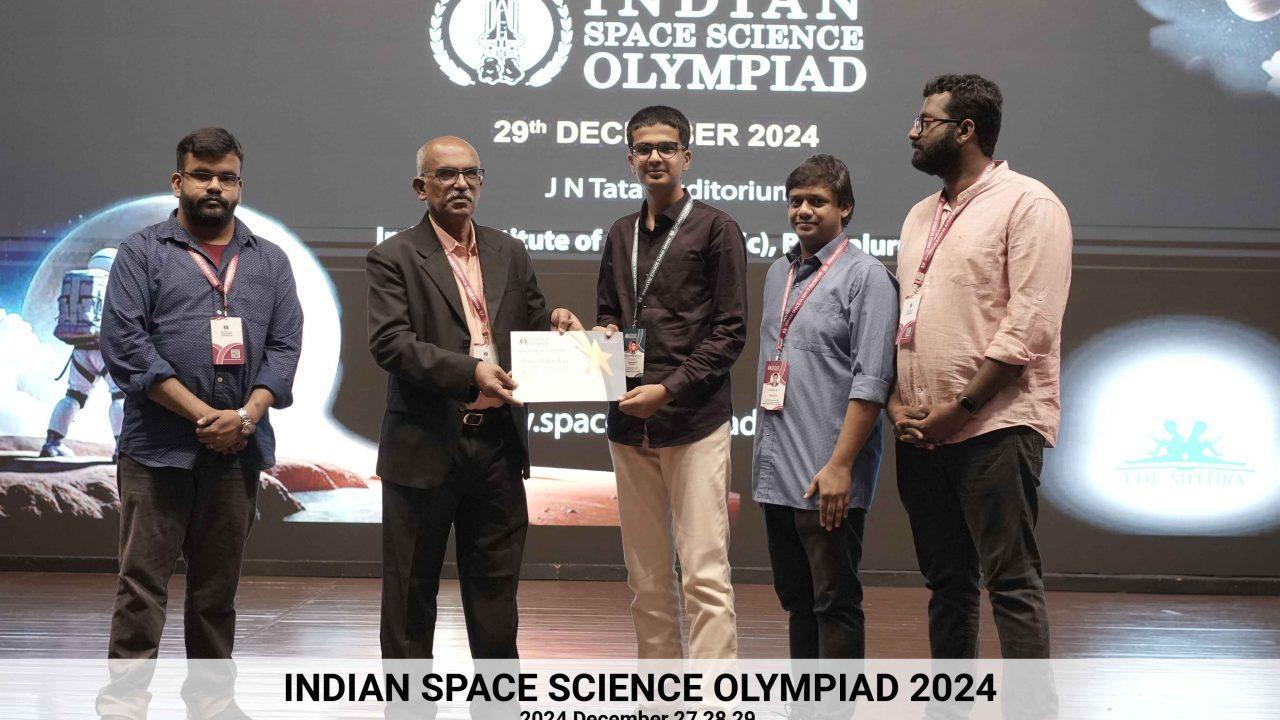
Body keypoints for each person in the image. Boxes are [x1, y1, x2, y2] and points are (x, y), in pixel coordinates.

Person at [97, 126, 302, 718]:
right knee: (141, 587)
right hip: (155, 451)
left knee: (216, 591)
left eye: (226, 177)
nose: (215, 186)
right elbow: (126, 347)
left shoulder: (269, 261)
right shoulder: (142, 252)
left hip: (237, 452)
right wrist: (205, 415)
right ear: (177, 181)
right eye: (202, 175)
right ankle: (123, 704)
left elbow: (285, 347)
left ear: (240, 186)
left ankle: (212, 702)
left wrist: (245, 416)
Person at [367, 135, 583, 659]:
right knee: (410, 596)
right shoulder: (393, 255)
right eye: (446, 174)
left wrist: (556, 324)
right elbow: (391, 343)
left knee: (496, 599)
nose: (461, 183)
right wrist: (471, 373)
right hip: (424, 444)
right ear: (420, 187)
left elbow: (529, 328)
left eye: (471, 173)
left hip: (497, 448)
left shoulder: (510, 251)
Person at [890, 74, 1073, 659]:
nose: (912, 132)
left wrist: (963, 407)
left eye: (926, 122)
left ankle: (1029, 703)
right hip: (924, 433)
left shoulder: (1029, 204)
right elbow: (906, 319)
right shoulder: (919, 215)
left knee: (1011, 583)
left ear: (965, 130)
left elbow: (1031, 326)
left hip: (995, 426)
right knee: (948, 584)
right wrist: (899, 405)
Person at [594, 105, 748, 659]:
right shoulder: (620, 233)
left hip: (692, 421)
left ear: (687, 156)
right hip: (628, 422)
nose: (654, 157)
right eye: (643, 148)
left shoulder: (717, 228)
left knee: (704, 574)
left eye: (665, 147)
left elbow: (730, 333)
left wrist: (668, 389)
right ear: (630, 159)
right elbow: (610, 315)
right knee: (646, 577)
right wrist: (595, 334)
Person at [752, 155, 898, 659]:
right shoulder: (779, 272)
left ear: (845, 208)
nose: (804, 211)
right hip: (777, 474)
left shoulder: (867, 276)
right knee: (798, 603)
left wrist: (840, 466)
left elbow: (872, 381)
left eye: (817, 201)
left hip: (827, 475)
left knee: (834, 603)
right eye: (796, 201)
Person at [41, 247, 125, 460]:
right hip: (106, 350)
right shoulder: (115, 287)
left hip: (80, 348)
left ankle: (52, 444)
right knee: (120, 396)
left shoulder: (81, 285)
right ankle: (122, 449)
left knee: (74, 396)